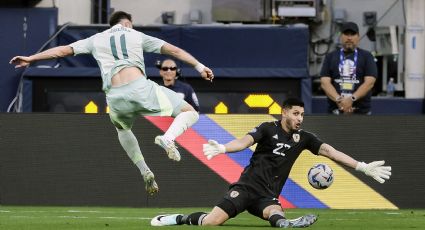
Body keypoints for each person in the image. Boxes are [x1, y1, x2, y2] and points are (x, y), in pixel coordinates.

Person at [9, 11, 214, 196]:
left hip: (115, 97)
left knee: (122, 129)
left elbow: (62, 51)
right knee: (189, 111)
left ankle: (144, 170)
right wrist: (199, 66)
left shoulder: (96, 39)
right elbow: (175, 51)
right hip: (140, 88)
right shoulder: (135, 35)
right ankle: (168, 138)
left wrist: (31, 58)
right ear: (127, 23)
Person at [150, 98, 391, 228]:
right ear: (284, 112)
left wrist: (362, 167)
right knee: (212, 223)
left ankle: (286, 224)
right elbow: (244, 142)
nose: (300, 118)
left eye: (302, 115)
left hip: (268, 195)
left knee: (276, 213)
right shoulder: (267, 128)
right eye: (296, 113)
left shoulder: (304, 138)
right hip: (245, 189)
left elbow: (332, 152)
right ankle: (177, 219)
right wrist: (223, 147)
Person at [320, 21, 377, 115]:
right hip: (335, 111)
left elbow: (369, 83)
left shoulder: (367, 56)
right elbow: (324, 82)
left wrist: (351, 99)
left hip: (361, 112)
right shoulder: (330, 56)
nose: (349, 38)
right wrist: (338, 100)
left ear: (358, 37)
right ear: (341, 36)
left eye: (353, 34)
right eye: (346, 34)